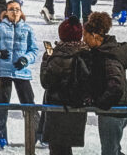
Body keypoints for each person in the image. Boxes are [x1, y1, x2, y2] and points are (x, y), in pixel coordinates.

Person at [0, 1, 39, 149]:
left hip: (22, 73)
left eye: (17, 9)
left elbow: (34, 50)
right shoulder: (0, 28)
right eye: (11, 10)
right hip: (5, 72)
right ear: (6, 12)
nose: (15, 12)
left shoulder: (27, 29)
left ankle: (39, 132)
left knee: (29, 104)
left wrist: (25, 59)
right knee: (2, 104)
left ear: (21, 12)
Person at [83, 11, 127, 155]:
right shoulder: (105, 51)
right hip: (118, 108)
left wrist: (101, 103)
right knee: (114, 150)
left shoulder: (107, 57)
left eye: (85, 35)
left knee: (109, 152)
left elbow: (116, 85)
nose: (84, 39)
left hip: (113, 110)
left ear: (94, 36)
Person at [39, 16, 91, 155]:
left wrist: (45, 62)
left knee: (58, 149)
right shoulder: (86, 53)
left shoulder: (57, 55)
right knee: (65, 148)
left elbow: (46, 81)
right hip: (77, 106)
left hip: (57, 108)